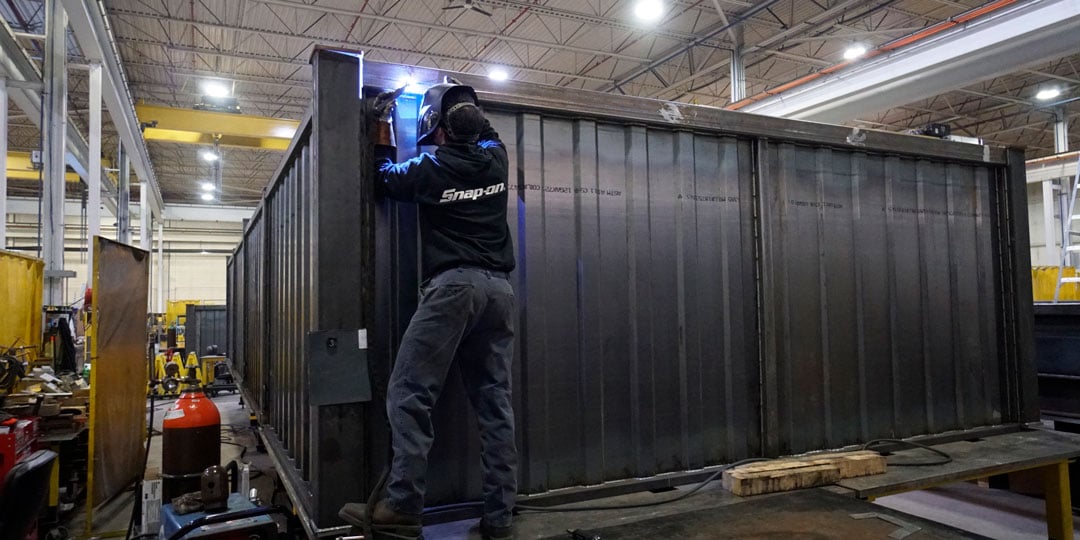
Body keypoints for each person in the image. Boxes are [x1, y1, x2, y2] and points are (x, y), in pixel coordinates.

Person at [339, 83, 518, 540]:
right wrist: (466, 108)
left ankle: (402, 505)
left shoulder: (429, 167)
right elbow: (489, 132)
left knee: (408, 391)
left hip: (453, 289)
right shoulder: (497, 160)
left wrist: (381, 124)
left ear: (436, 130)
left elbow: (381, 177)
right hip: (499, 292)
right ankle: (499, 516)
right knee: (494, 404)